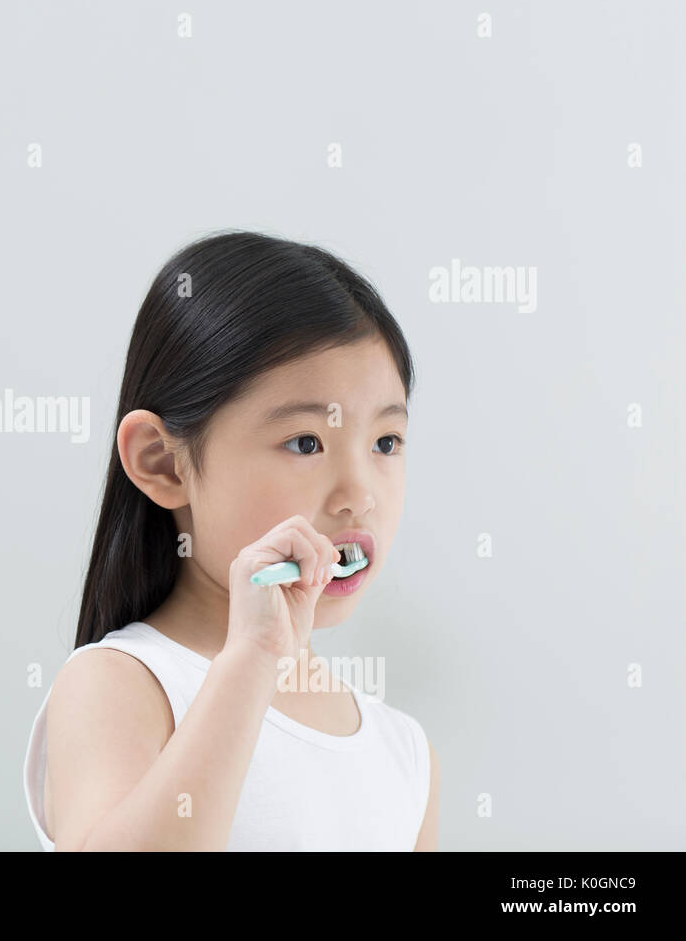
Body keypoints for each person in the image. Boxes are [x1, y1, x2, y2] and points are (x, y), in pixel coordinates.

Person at [22, 230, 438, 850]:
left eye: (386, 443)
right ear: (163, 463)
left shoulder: (405, 753)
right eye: (306, 443)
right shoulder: (120, 685)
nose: (359, 494)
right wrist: (252, 662)